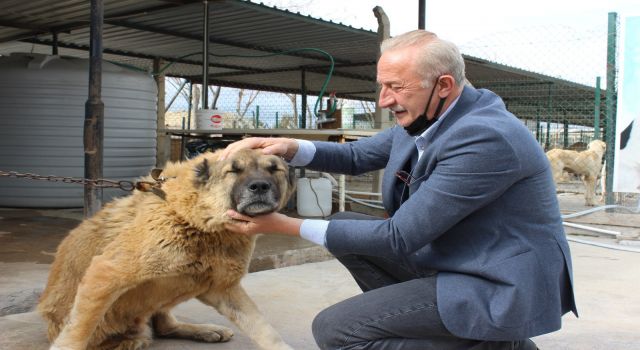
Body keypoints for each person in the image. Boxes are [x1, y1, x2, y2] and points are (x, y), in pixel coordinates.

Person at [220, 30, 577, 350]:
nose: (383, 100)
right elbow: (357, 155)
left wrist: (284, 225)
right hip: (459, 261)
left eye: (396, 87)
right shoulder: (430, 118)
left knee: (335, 331)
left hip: (498, 284)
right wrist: (287, 146)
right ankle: (462, 333)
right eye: (382, 85)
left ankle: (493, 344)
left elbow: (399, 237)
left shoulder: (485, 137)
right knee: (345, 225)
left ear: (443, 85)